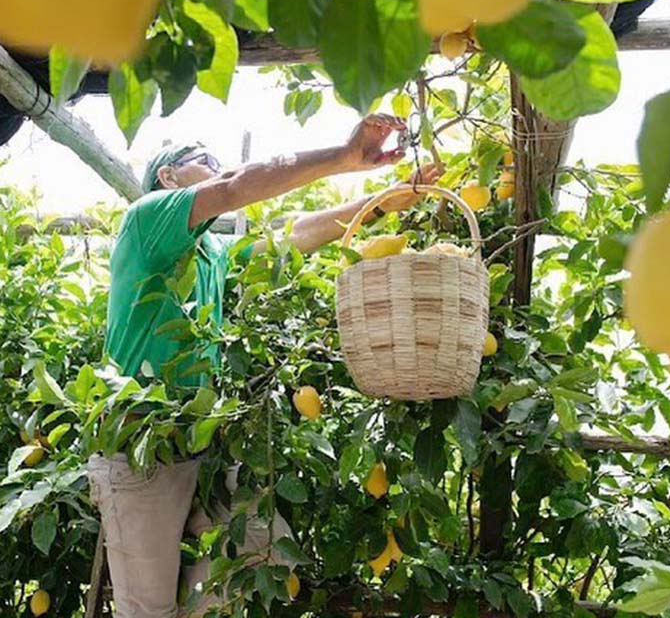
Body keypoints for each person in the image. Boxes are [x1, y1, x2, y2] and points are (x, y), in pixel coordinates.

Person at [87, 114, 439, 618]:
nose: (220, 166)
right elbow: (235, 186)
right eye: (205, 160)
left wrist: (380, 202)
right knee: (147, 610)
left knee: (260, 541)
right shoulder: (147, 219)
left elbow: (293, 234)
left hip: (201, 445)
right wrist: (342, 157)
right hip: (141, 448)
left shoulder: (213, 253)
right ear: (168, 179)